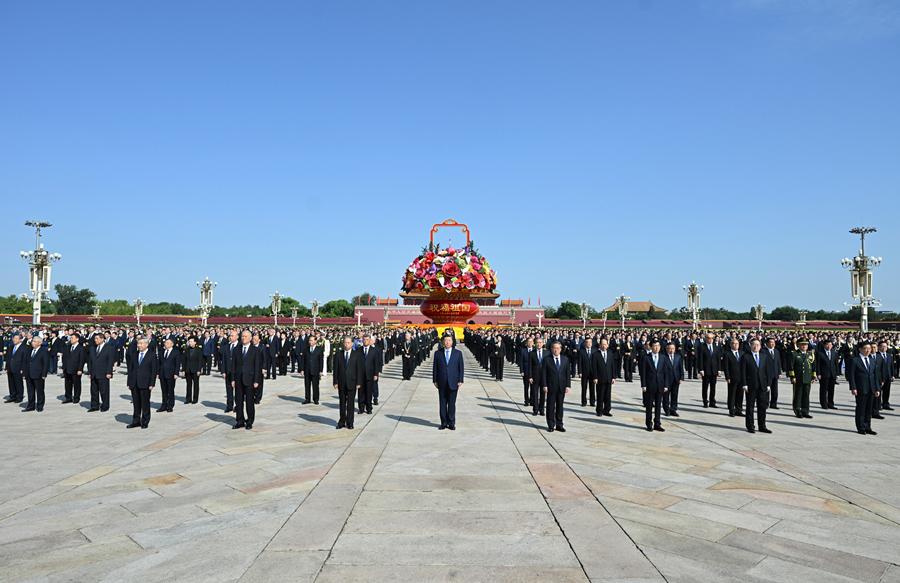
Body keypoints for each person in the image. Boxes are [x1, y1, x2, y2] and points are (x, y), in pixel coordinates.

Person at [231, 330, 261, 430]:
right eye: (242, 336)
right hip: (238, 379)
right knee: (238, 401)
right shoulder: (236, 349)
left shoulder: (255, 350)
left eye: (245, 336)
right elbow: (233, 366)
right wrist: (233, 379)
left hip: (250, 379)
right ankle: (240, 420)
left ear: (250, 338)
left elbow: (257, 366)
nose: (243, 338)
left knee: (249, 402)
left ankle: (249, 421)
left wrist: (256, 380)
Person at [640, 340, 673, 432]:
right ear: (651, 347)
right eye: (654, 346)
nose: (656, 347)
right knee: (649, 406)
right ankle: (649, 423)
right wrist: (643, 385)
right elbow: (643, 373)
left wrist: (666, 385)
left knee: (658, 406)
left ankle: (657, 424)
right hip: (649, 385)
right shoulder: (646, 357)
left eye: (658, 345)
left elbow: (666, 372)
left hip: (660, 385)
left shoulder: (663, 357)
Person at [432, 334, 463, 430]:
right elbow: (435, 368)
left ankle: (451, 423)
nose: (447, 342)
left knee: (452, 404)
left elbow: (461, 368)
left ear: (452, 342)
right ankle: (443, 423)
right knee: (442, 403)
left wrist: (460, 380)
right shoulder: (438, 353)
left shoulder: (458, 353)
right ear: (443, 342)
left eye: (449, 340)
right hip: (442, 382)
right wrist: (434, 380)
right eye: (445, 340)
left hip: (454, 382)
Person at [847, 342, 879, 435]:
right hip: (860, 388)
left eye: (869, 348)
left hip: (871, 388)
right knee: (861, 408)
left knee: (869, 409)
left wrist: (877, 388)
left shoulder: (872, 360)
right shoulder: (855, 360)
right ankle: (861, 427)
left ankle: (868, 427)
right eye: (865, 348)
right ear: (860, 349)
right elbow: (851, 375)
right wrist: (853, 387)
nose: (868, 350)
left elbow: (875, 376)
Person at [333, 336, 363, 429]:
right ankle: (342, 421)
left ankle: (350, 422)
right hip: (341, 383)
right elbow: (336, 369)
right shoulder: (338, 354)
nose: (346, 344)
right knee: (342, 403)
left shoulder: (356, 354)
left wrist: (359, 382)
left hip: (352, 383)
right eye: (345, 342)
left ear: (352, 343)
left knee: (350, 404)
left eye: (348, 343)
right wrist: (335, 382)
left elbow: (359, 369)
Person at [741, 339, 771, 433]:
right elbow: (743, 371)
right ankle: (750, 426)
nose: (756, 347)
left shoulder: (764, 356)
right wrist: (744, 384)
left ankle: (762, 426)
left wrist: (768, 384)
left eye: (758, 345)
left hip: (762, 385)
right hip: (751, 385)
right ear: (750, 346)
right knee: (750, 407)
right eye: (754, 345)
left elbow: (768, 371)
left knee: (762, 407)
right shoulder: (746, 356)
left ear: (760, 346)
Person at [127, 338, 157, 429]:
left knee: (145, 403)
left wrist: (152, 383)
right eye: (138, 343)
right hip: (134, 382)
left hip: (145, 383)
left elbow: (153, 370)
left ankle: (145, 421)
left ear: (146, 344)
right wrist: (129, 382)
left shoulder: (152, 355)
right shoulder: (134, 354)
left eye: (141, 343)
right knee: (136, 403)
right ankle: (136, 421)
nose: (139, 345)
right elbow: (130, 369)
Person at [542, 341, 571, 432]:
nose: (556, 350)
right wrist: (544, 385)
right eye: (554, 348)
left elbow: (567, 373)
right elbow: (544, 373)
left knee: (560, 406)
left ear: (561, 349)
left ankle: (559, 424)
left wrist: (568, 385)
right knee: (550, 406)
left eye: (558, 348)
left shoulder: (565, 359)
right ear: (551, 349)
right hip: (551, 386)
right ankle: (551, 425)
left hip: (561, 386)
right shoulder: (547, 359)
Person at [88, 333, 115, 412]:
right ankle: (94, 406)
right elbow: (90, 361)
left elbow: (110, 361)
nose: (95, 340)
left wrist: (109, 372)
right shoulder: (92, 348)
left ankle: (105, 406)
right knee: (94, 391)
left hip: (104, 373)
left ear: (102, 339)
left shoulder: (109, 348)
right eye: (95, 339)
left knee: (104, 391)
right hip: (94, 373)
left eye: (97, 338)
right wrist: (90, 372)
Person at [789, 339, 814, 419]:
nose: (804, 346)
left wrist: (813, 376)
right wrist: (792, 377)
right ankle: (797, 410)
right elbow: (791, 366)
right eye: (802, 344)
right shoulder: (794, 354)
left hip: (807, 377)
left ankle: (805, 411)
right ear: (798, 345)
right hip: (798, 378)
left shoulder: (810, 354)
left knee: (806, 395)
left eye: (805, 345)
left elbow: (813, 366)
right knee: (798, 395)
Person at [592, 337, 617, 417]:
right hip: (600, 378)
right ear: (600, 345)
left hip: (609, 378)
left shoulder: (610, 353)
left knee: (608, 396)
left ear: (607, 345)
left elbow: (612, 366)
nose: (604, 346)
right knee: (600, 395)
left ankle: (607, 410)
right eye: (602, 344)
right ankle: (599, 410)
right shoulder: (595, 354)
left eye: (605, 344)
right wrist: (595, 377)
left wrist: (613, 377)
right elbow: (594, 367)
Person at [23, 336, 49, 412]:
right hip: (29, 374)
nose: (32, 342)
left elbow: (46, 363)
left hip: (39, 374)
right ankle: (31, 406)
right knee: (30, 391)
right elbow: (26, 362)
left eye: (34, 341)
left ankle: (40, 406)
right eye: (32, 341)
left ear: (39, 343)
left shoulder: (43, 351)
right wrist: (24, 373)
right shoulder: (29, 350)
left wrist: (44, 374)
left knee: (40, 391)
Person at [158, 338, 181, 413]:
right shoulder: (161, 351)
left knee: (170, 391)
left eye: (168, 343)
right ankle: (164, 405)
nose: (166, 344)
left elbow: (177, 364)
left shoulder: (176, 352)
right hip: (162, 374)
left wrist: (176, 373)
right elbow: (159, 363)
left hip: (171, 374)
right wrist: (158, 373)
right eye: (165, 343)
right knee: (164, 391)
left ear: (172, 344)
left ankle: (170, 406)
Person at [697, 333, 720, 408]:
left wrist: (719, 369)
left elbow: (718, 359)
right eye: (709, 338)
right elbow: (700, 359)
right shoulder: (702, 347)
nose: (710, 340)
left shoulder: (715, 346)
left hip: (714, 370)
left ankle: (712, 402)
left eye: (712, 338)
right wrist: (701, 369)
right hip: (706, 370)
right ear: (706, 338)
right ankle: (705, 401)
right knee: (705, 387)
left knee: (713, 387)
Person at [360, 334, 382, 414]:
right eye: (364, 340)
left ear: (370, 341)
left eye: (367, 340)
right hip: (361, 375)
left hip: (370, 374)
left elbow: (376, 363)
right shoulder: (359, 350)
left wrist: (376, 374)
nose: (365, 341)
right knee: (361, 392)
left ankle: (369, 408)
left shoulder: (374, 350)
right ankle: (361, 408)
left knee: (369, 392)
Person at [62, 333, 85, 404]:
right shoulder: (68, 347)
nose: (71, 339)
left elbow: (82, 360)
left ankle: (76, 398)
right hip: (67, 368)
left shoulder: (81, 348)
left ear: (77, 339)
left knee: (76, 384)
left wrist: (80, 369)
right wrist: (64, 367)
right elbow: (64, 357)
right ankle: (68, 397)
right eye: (70, 338)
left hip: (76, 369)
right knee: (67, 384)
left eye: (72, 338)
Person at [662, 341, 684, 416]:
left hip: (676, 379)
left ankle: (673, 409)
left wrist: (681, 377)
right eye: (670, 349)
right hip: (666, 380)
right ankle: (666, 410)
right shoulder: (663, 357)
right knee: (666, 396)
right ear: (666, 349)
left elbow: (681, 368)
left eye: (673, 348)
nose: (671, 350)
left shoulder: (678, 357)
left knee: (674, 395)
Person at [301, 335, 324, 404]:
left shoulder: (319, 349)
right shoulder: (306, 349)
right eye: (309, 340)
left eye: (311, 340)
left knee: (315, 386)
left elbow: (321, 361)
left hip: (315, 370)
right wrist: (302, 369)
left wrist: (321, 370)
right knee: (307, 385)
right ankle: (307, 399)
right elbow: (303, 360)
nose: (310, 342)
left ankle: (316, 399)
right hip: (307, 370)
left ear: (315, 341)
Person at [816, 339, 839, 410]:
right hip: (824, 374)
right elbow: (817, 364)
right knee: (823, 390)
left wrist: (837, 373)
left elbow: (836, 364)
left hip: (832, 374)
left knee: (831, 390)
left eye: (830, 345)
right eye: (827, 345)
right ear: (824, 345)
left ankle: (830, 403)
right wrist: (818, 373)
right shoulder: (820, 353)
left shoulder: (834, 353)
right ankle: (824, 404)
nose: (829, 346)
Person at [723, 338, 743, 417]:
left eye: (737, 344)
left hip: (741, 377)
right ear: (731, 345)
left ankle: (739, 410)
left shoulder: (742, 353)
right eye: (734, 344)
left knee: (740, 394)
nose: (735, 345)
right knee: (732, 394)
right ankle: (731, 410)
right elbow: (726, 367)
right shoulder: (727, 354)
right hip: (732, 377)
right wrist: (727, 377)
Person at [221, 330, 239, 413]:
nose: (230, 337)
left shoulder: (240, 346)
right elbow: (224, 360)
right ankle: (229, 406)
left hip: (237, 372)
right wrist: (223, 371)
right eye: (230, 336)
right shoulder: (226, 347)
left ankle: (238, 406)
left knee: (238, 390)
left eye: (232, 335)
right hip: (228, 371)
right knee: (229, 390)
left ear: (237, 337)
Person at [183, 337, 203, 404]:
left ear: (195, 342)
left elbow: (200, 361)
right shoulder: (186, 349)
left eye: (191, 341)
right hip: (188, 369)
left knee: (196, 385)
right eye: (189, 341)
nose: (190, 343)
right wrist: (183, 370)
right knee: (188, 385)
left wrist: (199, 370)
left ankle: (195, 399)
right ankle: (188, 399)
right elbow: (184, 360)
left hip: (195, 370)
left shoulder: (199, 350)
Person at [529, 338, 547, 416]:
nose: (539, 344)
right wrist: (530, 376)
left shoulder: (547, 353)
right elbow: (529, 366)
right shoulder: (531, 353)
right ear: (535, 344)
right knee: (535, 393)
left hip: (544, 377)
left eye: (540, 342)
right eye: (537, 342)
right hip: (535, 376)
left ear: (543, 343)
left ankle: (542, 409)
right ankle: (535, 409)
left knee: (543, 394)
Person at [764, 337, 782, 409]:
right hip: (767, 374)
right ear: (767, 343)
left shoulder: (776, 351)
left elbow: (778, 362)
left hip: (775, 373)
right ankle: (765, 404)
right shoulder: (763, 351)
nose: (772, 344)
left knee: (775, 391)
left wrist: (779, 372)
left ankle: (773, 404)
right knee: (766, 390)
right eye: (771, 342)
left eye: (773, 342)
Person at [578, 337, 596, 407]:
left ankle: (592, 402)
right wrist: (580, 372)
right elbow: (579, 362)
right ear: (585, 343)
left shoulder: (594, 351)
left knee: (592, 388)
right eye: (587, 342)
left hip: (592, 372)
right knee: (584, 388)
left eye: (590, 342)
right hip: (584, 372)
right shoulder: (581, 351)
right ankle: (583, 402)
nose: (589, 344)